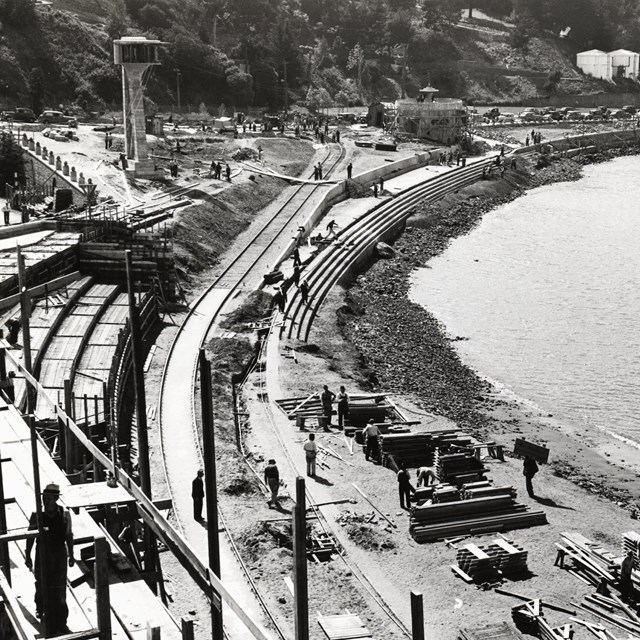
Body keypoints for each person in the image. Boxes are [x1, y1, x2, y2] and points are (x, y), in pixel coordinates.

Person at [25, 484, 75, 635]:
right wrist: (28, 555)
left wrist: (71, 555)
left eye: (48, 499)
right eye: (44, 498)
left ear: (56, 499)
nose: (45, 501)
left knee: (60, 589)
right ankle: (41, 608)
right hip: (43, 553)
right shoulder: (37, 515)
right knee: (41, 584)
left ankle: (61, 622)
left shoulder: (64, 514)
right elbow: (30, 537)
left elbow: (68, 535)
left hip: (59, 553)